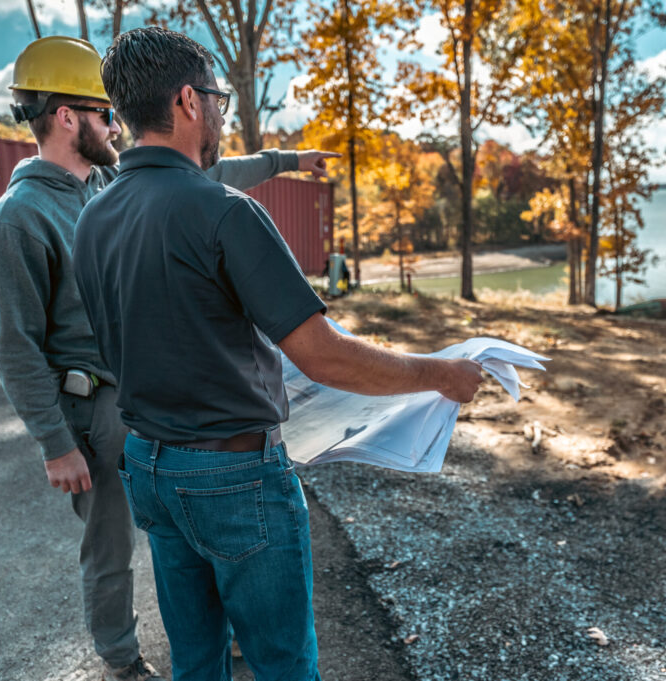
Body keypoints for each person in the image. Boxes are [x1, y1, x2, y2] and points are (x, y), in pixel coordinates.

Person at [72, 27, 483, 681]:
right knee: (282, 663)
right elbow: (325, 355)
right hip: (232, 477)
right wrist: (441, 373)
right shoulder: (223, 211)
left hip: (148, 462)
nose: (220, 113)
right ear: (187, 101)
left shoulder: (93, 218)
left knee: (196, 659)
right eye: (217, 98)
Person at [0, 35, 339, 681]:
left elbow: (203, 174)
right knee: (111, 544)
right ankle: (121, 658)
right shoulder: (17, 219)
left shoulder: (109, 184)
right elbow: (14, 344)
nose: (118, 125)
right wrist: (55, 442)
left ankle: (222, 628)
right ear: (67, 116)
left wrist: (285, 159)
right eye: (105, 113)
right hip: (90, 412)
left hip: (145, 402)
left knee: (185, 536)